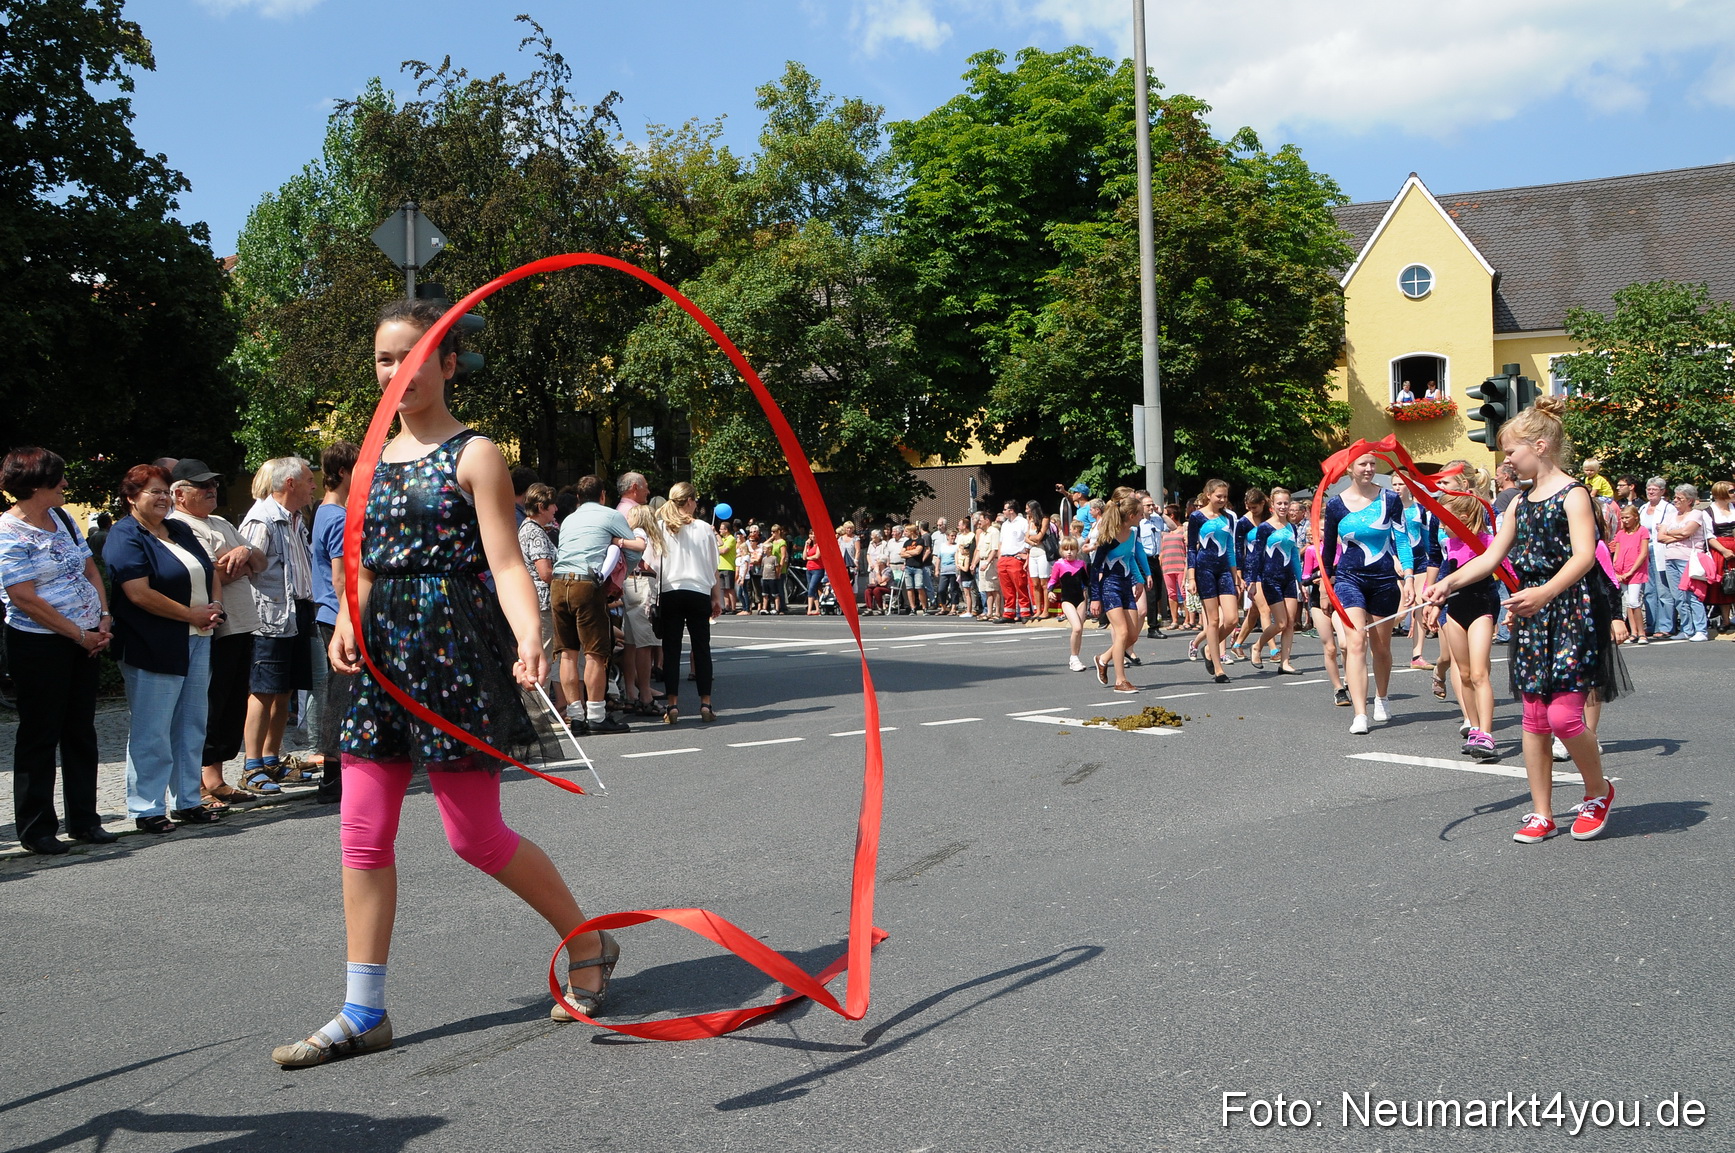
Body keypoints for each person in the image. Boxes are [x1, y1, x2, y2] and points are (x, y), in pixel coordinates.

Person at [274, 298, 615, 1068]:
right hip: (381, 660)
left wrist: (528, 635)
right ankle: (363, 1008)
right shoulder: (367, 460)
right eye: (384, 359)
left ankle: (588, 939)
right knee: (361, 831)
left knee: (475, 837)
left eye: (413, 356)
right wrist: (346, 620)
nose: (397, 371)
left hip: (455, 652)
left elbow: (505, 561)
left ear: (448, 363)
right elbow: (362, 562)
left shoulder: (475, 453)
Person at [1425, 396, 1626, 844]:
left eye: (1511, 452)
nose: (1507, 461)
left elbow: (1584, 556)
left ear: (1540, 446)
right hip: (1533, 614)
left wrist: (1545, 592)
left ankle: (1598, 791)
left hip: (1571, 612)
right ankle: (1542, 812)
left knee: (1564, 717)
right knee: (1534, 718)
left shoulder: (1574, 494)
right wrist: (1447, 583)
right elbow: (1491, 556)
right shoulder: (1518, 501)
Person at [1, 447, 116, 853]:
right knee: (40, 733)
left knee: (80, 730)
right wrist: (78, 634)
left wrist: (103, 616)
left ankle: (85, 821)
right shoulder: (8, 531)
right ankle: (36, 830)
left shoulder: (63, 518)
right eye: (60, 477)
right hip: (39, 643)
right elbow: (23, 597)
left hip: (86, 638)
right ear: (37, 484)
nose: (66, 483)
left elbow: (89, 568)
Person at [104, 464, 226, 834]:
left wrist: (215, 606)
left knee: (191, 725)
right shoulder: (125, 535)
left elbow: (209, 571)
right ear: (131, 497)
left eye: (165, 491)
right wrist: (190, 614)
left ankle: (188, 800)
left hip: (198, 638)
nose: (162, 498)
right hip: (152, 644)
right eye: (154, 492)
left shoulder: (179, 529)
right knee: (153, 730)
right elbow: (138, 593)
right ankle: (147, 808)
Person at [168, 459, 267, 806]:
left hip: (242, 623)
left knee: (231, 703)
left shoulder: (221, 522)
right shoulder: (180, 525)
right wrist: (239, 562)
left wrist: (243, 552)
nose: (211, 490)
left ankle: (216, 777)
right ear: (179, 494)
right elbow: (211, 575)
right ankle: (194, 784)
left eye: (213, 483)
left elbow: (259, 563)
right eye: (202, 485)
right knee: (207, 704)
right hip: (213, 627)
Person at [240, 456, 317, 791]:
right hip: (270, 617)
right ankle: (251, 765)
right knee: (263, 690)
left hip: (297, 612)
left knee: (286, 689)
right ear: (290, 483)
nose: (314, 486)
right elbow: (245, 568)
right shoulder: (263, 518)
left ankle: (272, 759)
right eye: (309, 480)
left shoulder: (296, 518)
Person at [1322, 455, 1413, 734]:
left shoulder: (1390, 499)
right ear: (1350, 468)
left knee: (1381, 647)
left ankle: (1381, 697)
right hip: (1348, 579)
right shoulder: (1335, 505)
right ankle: (1360, 713)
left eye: (1372, 464)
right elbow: (1328, 549)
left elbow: (1402, 539)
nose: (1369, 469)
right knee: (1356, 641)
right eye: (1363, 464)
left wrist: (1409, 577)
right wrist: (1325, 586)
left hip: (1384, 579)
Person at [1420, 477, 1503, 762]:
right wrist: (1434, 605)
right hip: (1454, 610)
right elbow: (1445, 576)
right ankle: (1475, 727)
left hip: (1482, 607)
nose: (1441, 526)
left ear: (1463, 518)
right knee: (1464, 673)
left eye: (1445, 520)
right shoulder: (1451, 545)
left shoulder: (1489, 543)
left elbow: (1507, 574)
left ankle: (1487, 734)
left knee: (1479, 673)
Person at [552, 474, 641, 736]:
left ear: (578, 497)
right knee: (595, 653)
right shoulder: (611, 515)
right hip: (587, 584)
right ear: (602, 495)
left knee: (568, 652)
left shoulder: (569, 519)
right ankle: (596, 715)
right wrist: (617, 579)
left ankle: (576, 716)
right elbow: (633, 551)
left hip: (559, 583)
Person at [307, 442, 361, 804]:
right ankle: (333, 777)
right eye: (358, 470)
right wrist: (351, 620)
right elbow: (341, 578)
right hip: (337, 615)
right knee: (341, 697)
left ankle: (338, 773)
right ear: (342, 472)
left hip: (328, 613)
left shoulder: (323, 512)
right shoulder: (338, 517)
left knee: (339, 695)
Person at [651, 483, 721, 724]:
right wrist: (716, 596)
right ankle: (706, 703)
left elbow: (652, 563)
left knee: (671, 650)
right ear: (689, 501)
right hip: (699, 591)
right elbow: (713, 567)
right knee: (701, 648)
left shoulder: (661, 527)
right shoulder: (704, 528)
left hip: (671, 591)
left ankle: (672, 705)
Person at [1087, 494, 1148, 693]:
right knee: (1121, 632)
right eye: (1140, 514)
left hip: (1126, 585)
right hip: (1109, 586)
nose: (1142, 517)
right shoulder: (1108, 538)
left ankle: (1103, 658)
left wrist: (1139, 580)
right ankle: (1120, 680)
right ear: (1131, 515)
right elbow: (1095, 568)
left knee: (1132, 636)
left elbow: (1130, 559)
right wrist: (1095, 598)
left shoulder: (1133, 533)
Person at [1186, 481, 1240, 683]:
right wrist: (1191, 577)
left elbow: (1231, 548)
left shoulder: (1229, 517)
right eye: (1219, 496)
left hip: (1224, 569)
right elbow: (1191, 549)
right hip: (1204, 570)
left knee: (1232, 619)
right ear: (1208, 494)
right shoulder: (1197, 517)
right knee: (1213, 620)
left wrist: (1236, 576)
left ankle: (1209, 647)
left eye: (1225, 496)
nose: (1222, 500)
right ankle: (1218, 669)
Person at [1250, 488, 1305, 674]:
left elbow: (1295, 555)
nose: (1283, 506)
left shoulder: (1292, 527)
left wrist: (1300, 581)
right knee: (1280, 623)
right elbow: (1257, 556)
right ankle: (1257, 646)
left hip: (1288, 578)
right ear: (1272, 505)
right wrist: (1252, 582)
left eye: (1286, 503)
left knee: (1290, 622)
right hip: (1270, 578)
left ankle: (1285, 662)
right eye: (1279, 503)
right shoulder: (1265, 528)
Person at [1656, 484, 1718, 641]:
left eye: (1679, 498)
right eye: (1675, 497)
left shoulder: (1697, 514)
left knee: (1692, 595)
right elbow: (1660, 537)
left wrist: (1670, 533)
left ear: (1689, 500)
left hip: (1689, 559)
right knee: (1678, 596)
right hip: (1670, 558)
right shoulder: (1671, 515)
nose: (1675, 500)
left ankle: (1701, 630)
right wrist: (1678, 535)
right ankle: (1687, 629)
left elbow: (1687, 531)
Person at [519, 483, 561, 707]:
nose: (555, 509)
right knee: (542, 657)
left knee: (539, 657)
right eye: (552, 504)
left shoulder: (528, 528)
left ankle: (540, 709)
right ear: (541, 507)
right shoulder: (535, 532)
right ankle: (540, 712)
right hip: (542, 602)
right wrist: (566, 578)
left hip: (534, 601)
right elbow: (545, 573)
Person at [1637, 478, 1678, 638]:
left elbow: (1674, 527)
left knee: (1663, 590)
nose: (1650, 492)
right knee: (1648, 590)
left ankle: (1666, 626)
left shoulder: (1668, 508)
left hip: (1660, 551)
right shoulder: (1643, 508)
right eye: (1648, 489)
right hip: (1644, 551)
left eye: (1654, 489)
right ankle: (1652, 624)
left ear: (1662, 491)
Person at [1048, 536, 1089, 670]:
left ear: (1077, 550)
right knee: (1076, 628)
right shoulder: (1059, 564)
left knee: (1079, 630)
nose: (1069, 552)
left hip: (1081, 599)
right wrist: (1050, 591)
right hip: (1067, 600)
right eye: (1066, 549)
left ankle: (1076, 658)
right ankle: (1073, 657)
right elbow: (1053, 580)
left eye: (1072, 549)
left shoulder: (1081, 564)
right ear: (1062, 551)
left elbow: (1086, 582)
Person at [1613, 504, 1650, 644]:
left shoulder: (1642, 531)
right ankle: (1633, 632)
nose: (1624, 520)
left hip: (1636, 571)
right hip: (1622, 572)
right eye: (1622, 518)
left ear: (1635, 517)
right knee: (1628, 601)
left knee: (1634, 601)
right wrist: (1616, 571)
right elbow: (1617, 553)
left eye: (1627, 517)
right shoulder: (1620, 534)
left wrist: (1631, 571)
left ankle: (1642, 633)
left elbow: (1643, 553)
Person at [1704, 482, 1735, 631]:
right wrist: (1724, 551)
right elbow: (1709, 536)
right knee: (1725, 585)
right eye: (1731, 491)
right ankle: (1726, 620)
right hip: (1721, 550)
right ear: (1721, 493)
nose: (1734, 493)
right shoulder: (1708, 512)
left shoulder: (1734, 508)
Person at [997, 501, 1032, 621]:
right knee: (1006, 588)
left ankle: (1025, 613)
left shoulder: (1022, 522)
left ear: (1011, 510)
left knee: (1020, 586)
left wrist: (1026, 554)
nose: (1003, 511)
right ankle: (1009, 613)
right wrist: (1000, 558)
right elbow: (1001, 542)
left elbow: (1028, 538)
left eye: (1005, 509)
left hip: (1016, 558)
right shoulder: (1005, 524)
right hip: (1004, 558)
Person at [976, 511, 1002, 621]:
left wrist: (987, 563)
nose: (979, 522)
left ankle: (997, 612)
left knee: (994, 588)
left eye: (981, 520)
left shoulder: (994, 532)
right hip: (982, 562)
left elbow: (994, 549)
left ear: (987, 520)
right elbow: (978, 550)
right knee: (987, 590)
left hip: (991, 562)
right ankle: (989, 612)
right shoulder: (982, 534)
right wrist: (974, 563)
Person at [760, 523, 788, 614]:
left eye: (774, 532)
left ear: (778, 532)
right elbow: (764, 545)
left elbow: (783, 556)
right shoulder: (772, 542)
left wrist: (780, 569)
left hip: (778, 567)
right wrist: (771, 538)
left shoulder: (782, 542)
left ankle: (782, 608)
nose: (772, 533)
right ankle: (774, 607)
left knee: (779, 589)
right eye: (772, 531)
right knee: (773, 589)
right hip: (771, 568)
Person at [954, 517, 977, 618]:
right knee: (963, 589)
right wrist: (957, 563)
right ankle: (967, 608)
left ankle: (972, 608)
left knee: (971, 589)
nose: (958, 526)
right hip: (960, 564)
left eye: (959, 525)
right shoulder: (959, 536)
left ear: (964, 526)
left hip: (967, 562)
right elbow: (957, 551)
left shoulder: (972, 535)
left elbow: (970, 549)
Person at [715, 520, 738, 614]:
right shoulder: (722, 540)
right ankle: (726, 606)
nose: (720, 530)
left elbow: (724, 551)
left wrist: (716, 550)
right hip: (721, 566)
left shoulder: (731, 539)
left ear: (726, 530)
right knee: (724, 588)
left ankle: (733, 608)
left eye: (721, 529)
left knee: (730, 588)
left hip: (728, 567)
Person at [803, 529, 826, 615]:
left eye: (814, 534)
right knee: (812, 588)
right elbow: (804, 556)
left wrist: (808, 558)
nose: (812, 536)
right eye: (811, 534)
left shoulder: (819, 545)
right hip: (809, 569)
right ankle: (817, 608)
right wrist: (806, 545)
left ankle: (809, 609)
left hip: (817, 569)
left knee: (811, 588)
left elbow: (817, 556)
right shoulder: (810, 546)